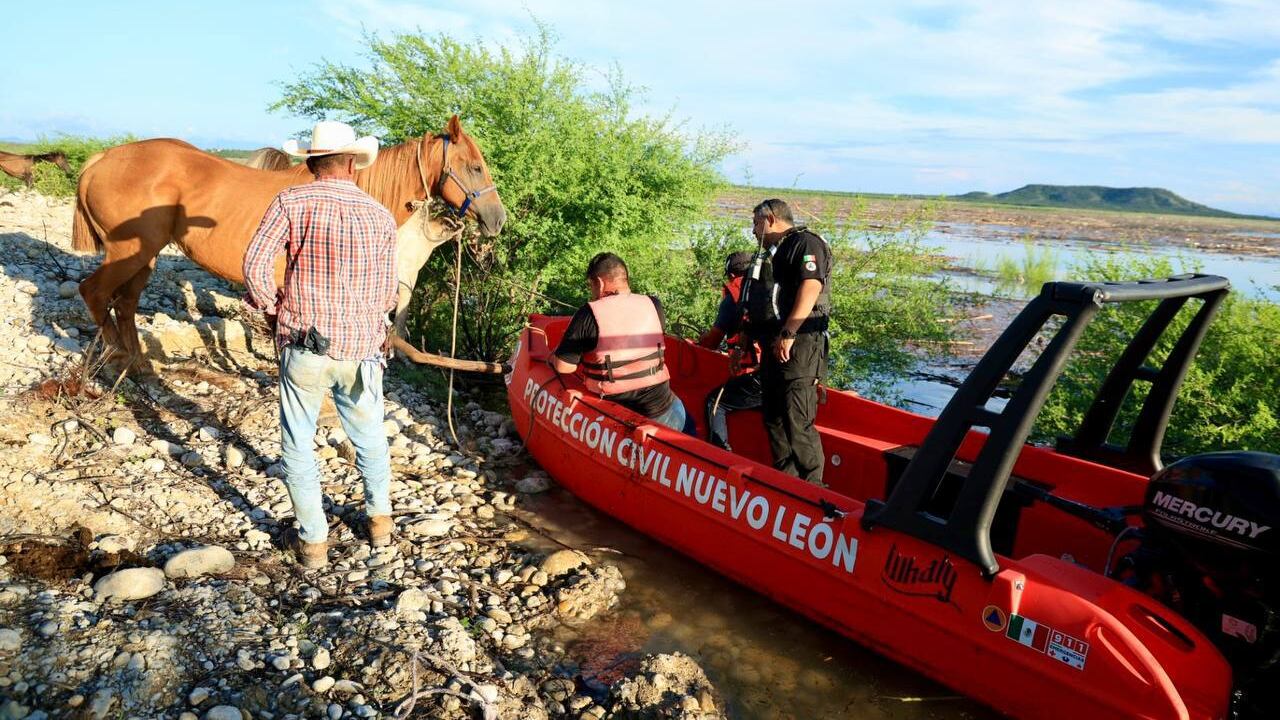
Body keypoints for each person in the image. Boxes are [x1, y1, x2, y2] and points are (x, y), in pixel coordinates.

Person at [242, 120, 399, 569]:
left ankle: (313, 543)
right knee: (369, 435)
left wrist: (273, 309)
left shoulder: (292, 201)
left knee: (298, 440)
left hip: (304, 342)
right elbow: (390, 291)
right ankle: (380, 523)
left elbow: (254, 264)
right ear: (352, 163)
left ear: (311, 162)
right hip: (363, 348)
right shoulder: (380, 214)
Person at [551, 253, 694, 434]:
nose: (592, 292)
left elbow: (564, 367)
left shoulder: (588, 313)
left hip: (626, 420)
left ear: (599, 283)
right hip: (671, 411)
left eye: (591, 286)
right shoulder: (653, 304)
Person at [745, 198, 832, 485]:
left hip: (801, 346)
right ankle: (787, 482)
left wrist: (790, 332)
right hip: (776, 345)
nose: (754, 231)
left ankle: (814, 488)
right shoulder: (775, 252)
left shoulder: (806, 244)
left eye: (756, 223)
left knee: (798, 420)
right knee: (774, 416)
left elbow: (811, 286)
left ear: (770, 218)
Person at [698, 251, 763, 451]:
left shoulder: (732, 298)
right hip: (777, 372)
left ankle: (719, 452)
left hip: (753, 376)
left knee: (714, 403)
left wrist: (702, 339)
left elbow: (712, 342)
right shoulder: (766, 291)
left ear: (732, 275)